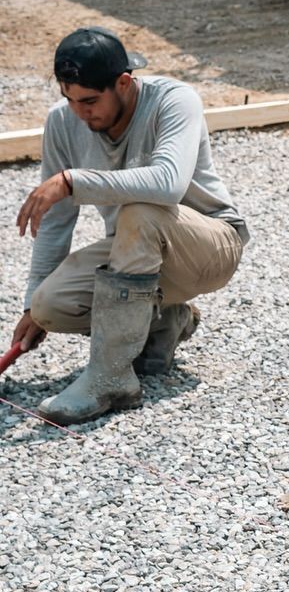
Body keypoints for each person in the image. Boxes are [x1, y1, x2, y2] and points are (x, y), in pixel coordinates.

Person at [12, 28, 249, 424]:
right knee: (50, 306)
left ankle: (109, 379)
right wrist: (30, 303)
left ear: (123, 83)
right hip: (136, 255)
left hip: (211, 246)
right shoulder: (62, 122)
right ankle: (164, 321)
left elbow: (169, 184)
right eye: (69, 100)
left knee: (141, 209)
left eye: (89, 101)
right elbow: (55, 224)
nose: (79, 113)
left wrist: (72, 181)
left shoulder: (175, 100)